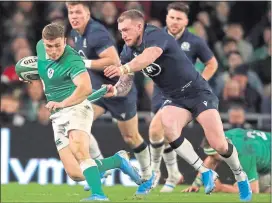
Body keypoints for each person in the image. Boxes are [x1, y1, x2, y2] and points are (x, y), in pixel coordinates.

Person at [103, 9, 252, 201]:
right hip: (174, 97)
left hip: (197, 92)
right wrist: (114, 90)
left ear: (139, 26)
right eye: (120, 31)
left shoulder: (154, 34)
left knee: (219, 144)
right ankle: (205, 172)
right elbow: (125, 82)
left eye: (126, 30)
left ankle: (241, 177)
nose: (122, 34)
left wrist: (123, 67)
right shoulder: (127, 49)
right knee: (168, 127)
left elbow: (148, 57)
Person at [21, 23, 141, 202]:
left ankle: (98, 195)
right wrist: (27, 74)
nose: (53, 51)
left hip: (76, 107)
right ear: (43, 42)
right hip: (57, 114)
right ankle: (117, 161)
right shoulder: (40, 47)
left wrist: (62, 103)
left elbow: (84, 88)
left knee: (79, 150)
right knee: (75, 173)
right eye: (49, 46)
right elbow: (45, 70)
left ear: (64, 41)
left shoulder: (73, 60)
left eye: (57, 46)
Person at [66, 2, 155, 195]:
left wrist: (85, 62)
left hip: (119, 90)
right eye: (71, 12)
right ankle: (100, 171)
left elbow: (114, 61)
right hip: (98, 92)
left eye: (78, 12)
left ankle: (148, 176)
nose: (74, 16)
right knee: (77, 126)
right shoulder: (75, 34)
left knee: (131, 137)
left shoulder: (96, 32)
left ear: (88, 14)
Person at [148, 2, 218, 192]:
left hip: (183, 94)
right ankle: (173, 174)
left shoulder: (195, 41)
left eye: (179, 18)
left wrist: (200, 81)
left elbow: (212, 63)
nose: (174, 21)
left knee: (156, 130)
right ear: (166, 18)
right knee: (162, 134)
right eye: (171, 17)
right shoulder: (155, 37)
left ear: (186, 21)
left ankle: (153, 172)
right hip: (160, 92)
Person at [183, 128, 271, 194]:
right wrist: (196, 185)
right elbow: (211, 159)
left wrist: (221, 188)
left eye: (214, 155)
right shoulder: (223, 140)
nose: (212, 158)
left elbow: (254, 190)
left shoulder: (244, 153)